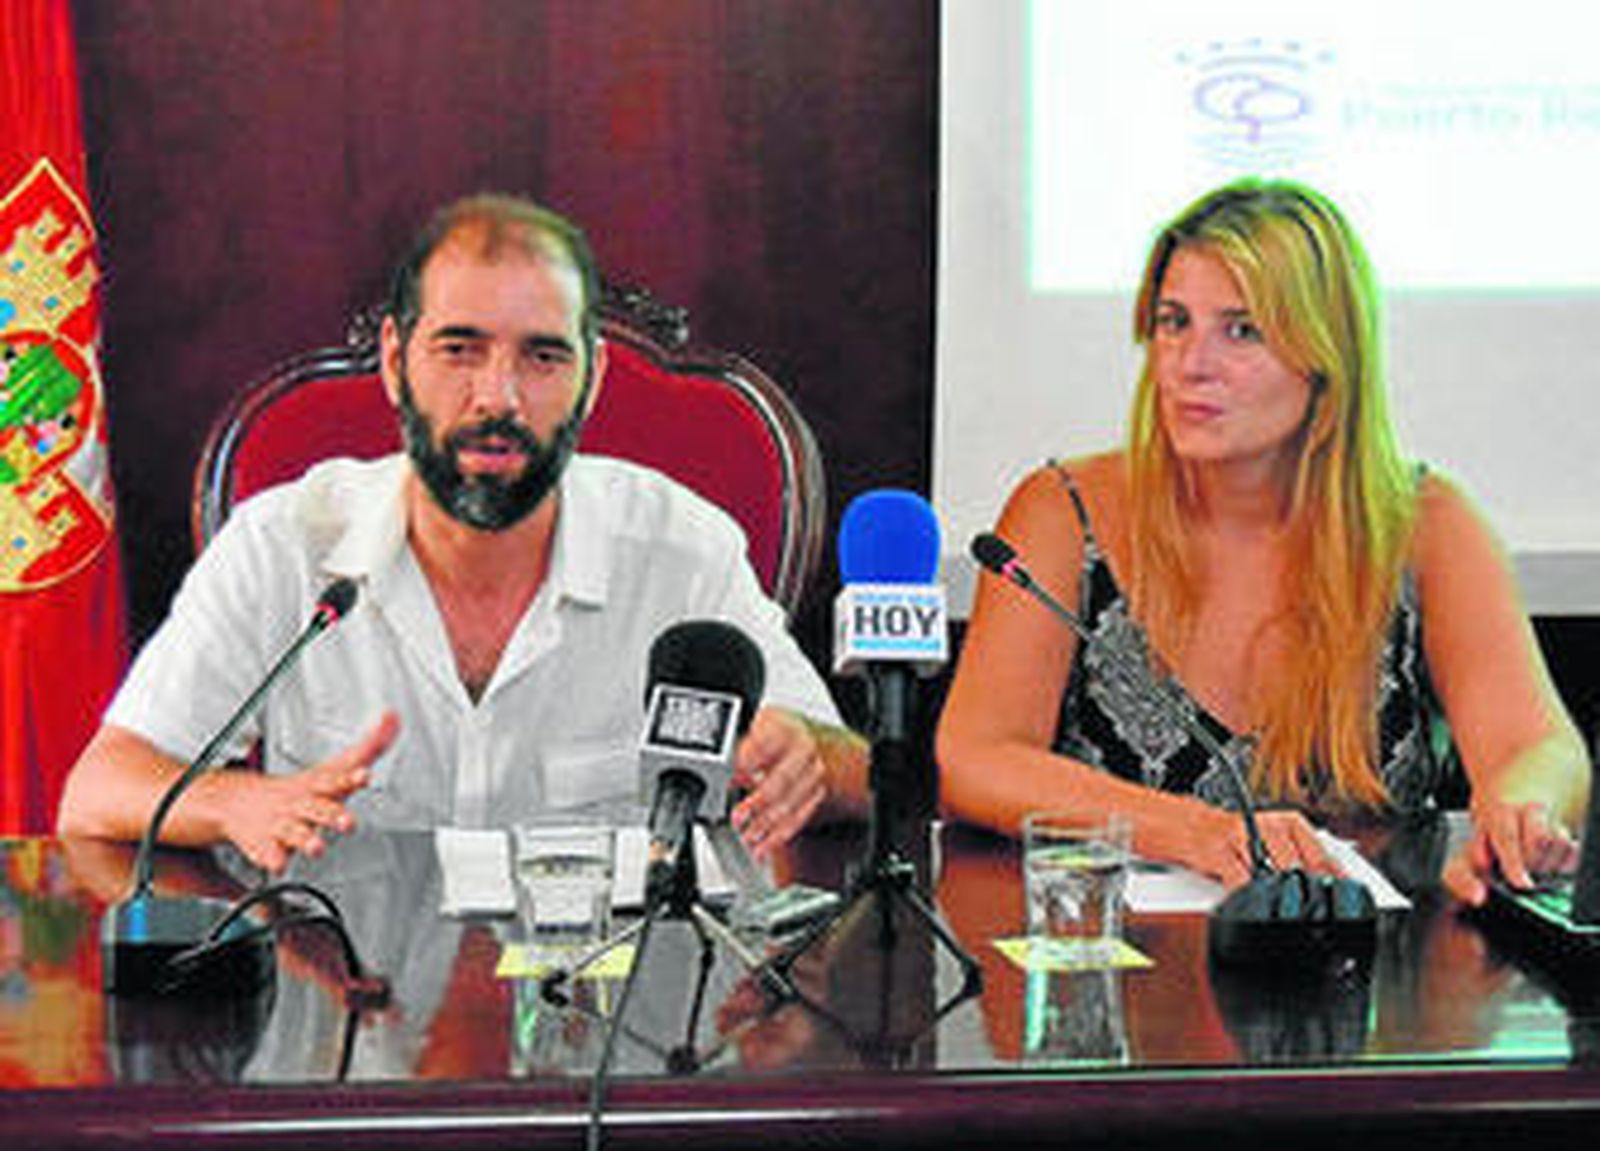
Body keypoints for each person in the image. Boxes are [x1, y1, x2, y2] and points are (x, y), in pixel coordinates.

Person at [58, 193, 868, 874]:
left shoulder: (681, 549)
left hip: (609, 1000)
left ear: (592, 379)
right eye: (459, 350)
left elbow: (856, 773)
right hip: (344, 995)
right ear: (394, 361)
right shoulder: (283, 544)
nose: (498, 397)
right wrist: (235, 802)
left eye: (542, 357)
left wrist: (804, 755)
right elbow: (97, 792)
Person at [936, 177, 1588, 904]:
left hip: (1363, 962)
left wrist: (1523, 809)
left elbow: (1538, 747)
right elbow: (974, 757)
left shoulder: (1425, 523)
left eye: (1242, 330)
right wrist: (1193, 831)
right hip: (1119, 956)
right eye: (1174, 322)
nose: (1191, 364)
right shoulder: (1062, 511)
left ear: (1326, 356)